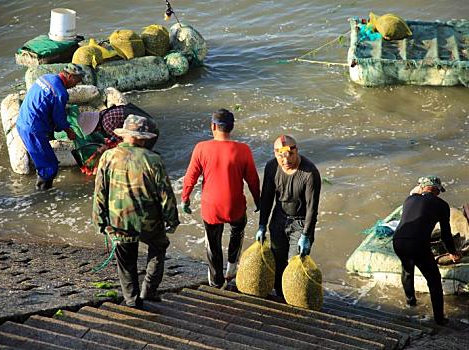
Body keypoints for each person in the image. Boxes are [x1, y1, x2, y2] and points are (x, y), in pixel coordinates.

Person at [92, 115, 179, 309]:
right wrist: (172, 219)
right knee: (158, 247)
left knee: (125, 258)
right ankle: (149, 290)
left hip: (119, 220)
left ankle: (131, 299)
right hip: (149, 220)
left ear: (125, 135)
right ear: (142, 137)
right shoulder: (153, 159)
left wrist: (99, 219)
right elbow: (165, 194)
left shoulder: (108, 156)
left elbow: (100, 191)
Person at [181, 108, 260, 288]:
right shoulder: (243, 149)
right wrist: (258, 200)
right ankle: (232, 268)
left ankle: (216, 282)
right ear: (231, 127)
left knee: (213, 243)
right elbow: (253, 179)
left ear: (213, 126)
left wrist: (185, 198)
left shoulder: (201, 148)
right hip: (235, 206)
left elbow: (190, 177)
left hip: (211, 208)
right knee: (237, 230)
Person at [255, 135, 321, 298]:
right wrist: (262, 225)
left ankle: (292, 298)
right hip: (279, 219)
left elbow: (312, 208)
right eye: (281, 157)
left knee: (294, 264)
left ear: (296, 151)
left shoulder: (309, 173)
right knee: (277, 261)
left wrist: (306, 235)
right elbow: (267, 198)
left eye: (291, 155)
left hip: (301, 222)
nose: (286, 161)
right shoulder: (271, 168)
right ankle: (280, 296)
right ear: (275, 154)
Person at [393, 175, 461, 326]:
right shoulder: (442, 205)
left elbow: (415, 195)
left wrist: (419, 189)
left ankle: (410, 303)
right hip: (417, 245)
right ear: (437, 190)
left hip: (398, 241)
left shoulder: (408, 200)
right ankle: (439, 319)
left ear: (422, 187)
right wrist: (452, 251)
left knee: (407, 270)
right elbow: (445, 234)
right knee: (434, 280)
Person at [16, 63, 85, 190]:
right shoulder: (60, 93)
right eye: (77, 80)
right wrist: (69, 131)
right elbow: (59, 119)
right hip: (33, 129)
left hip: (22, 121)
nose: (77, 85)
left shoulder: (46, 77)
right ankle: (44, 196)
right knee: (49, 166)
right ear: (70, 76)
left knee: (43, 157)